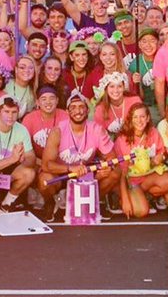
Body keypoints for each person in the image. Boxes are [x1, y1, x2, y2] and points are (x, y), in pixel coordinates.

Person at [41, 92, 119, 220]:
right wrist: (70, 169)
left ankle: (95, 200)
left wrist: (106, 167)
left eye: (81, 106)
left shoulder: (96, 129)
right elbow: (46, 164)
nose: (78, 111)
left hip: (87, 172)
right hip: (63, 172)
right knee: (44, 179)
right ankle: (50, 202)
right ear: (67, 111)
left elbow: (111, 156)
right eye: (73, 107)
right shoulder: (57, 131)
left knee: (115, 172)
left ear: (87, 110)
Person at [114, 103, 168, 218]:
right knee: (141, 212)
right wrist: (125, 199)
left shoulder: (153, 132)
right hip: (131, 181)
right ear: (130, 120)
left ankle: (146, 196)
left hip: (148, 177)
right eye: (135, 117)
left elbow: (161, 155)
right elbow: (122, 172)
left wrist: (160, 158)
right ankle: (129, 197)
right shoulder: (122, 139)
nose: (139, 120)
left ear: (147, 118)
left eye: (142, 117)